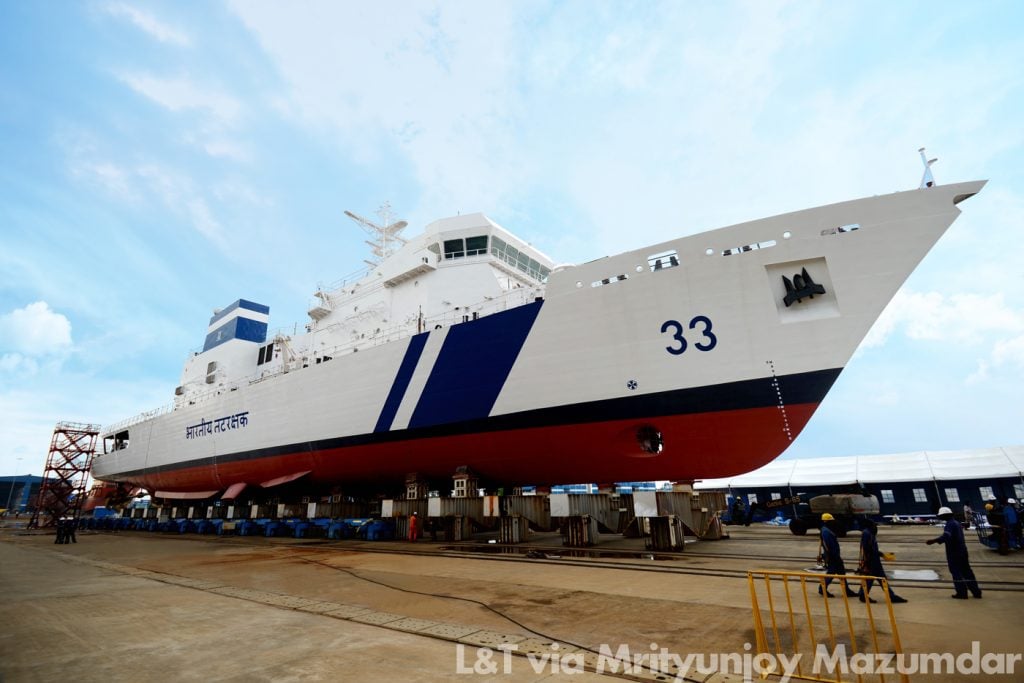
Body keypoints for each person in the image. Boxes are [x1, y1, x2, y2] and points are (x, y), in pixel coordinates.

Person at [926, 506, 982, 599]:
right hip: (962, 550)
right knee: (967, 572)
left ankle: (962, 593)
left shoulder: (950, 524)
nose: (941, 518)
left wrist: (934, 541)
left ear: (945, 515)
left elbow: (946, 536)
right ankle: (976, 592)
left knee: (956, 572)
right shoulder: (956, 523)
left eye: (941, 516)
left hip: (954, 552)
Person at [856, 519, 907, 603]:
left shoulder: (869, 533)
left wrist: (882, 554)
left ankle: (890, 596)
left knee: (879, 578)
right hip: (871, 561)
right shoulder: (867, 533)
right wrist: (868, 562)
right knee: (871, 578)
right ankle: (864, 595)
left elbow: (871, 548)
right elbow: (867, 549)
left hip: (874, 560)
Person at [818, 513, 858, 598]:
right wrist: (836, 558)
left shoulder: (827, 530)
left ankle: (847, 591)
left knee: (841, 573)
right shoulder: (826, 532)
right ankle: (822, 589)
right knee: (831, 574)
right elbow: (829, 547)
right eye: (831, 521)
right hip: (833, 557)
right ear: (826, 521)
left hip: (834, 556)